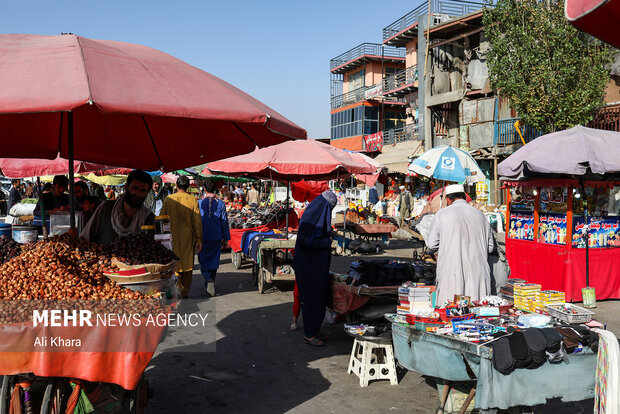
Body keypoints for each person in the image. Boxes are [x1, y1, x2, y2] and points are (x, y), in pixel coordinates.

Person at [425, 184, 495, 304]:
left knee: (451, 311)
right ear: (464, 197)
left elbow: (431, 244)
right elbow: (490, 247)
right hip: (478, 272)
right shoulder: (481, 215)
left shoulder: (442, 214)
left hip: (452, 270)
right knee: (476, 311)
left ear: (448, 199)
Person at [293, 190, 337, 347]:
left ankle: (314, 330)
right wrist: (326, 242)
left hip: (316, 266)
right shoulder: (310, 217)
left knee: (319, 297)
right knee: (312, 299)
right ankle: (309, 334)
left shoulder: (315, 213)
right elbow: (307, 241)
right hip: (309, 266)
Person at [81, 170, 155, 245]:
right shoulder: (106, 208)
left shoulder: (149, 218)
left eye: (143, 191)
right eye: (135, 188)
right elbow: (84, 239)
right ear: (126, 187)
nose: (138, 194)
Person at [161, 176, 203, 299]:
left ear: (176, 186)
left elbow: (162, 218)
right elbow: (197, 221)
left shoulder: (169, 199)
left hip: (171, 238)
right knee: (187, 265)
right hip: (188, 238)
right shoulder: (193, 200)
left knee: (173, 264)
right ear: (188, 187)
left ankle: (174, 291)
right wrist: (199, 238)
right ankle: (184, 292)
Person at [198, 179, 230, 297]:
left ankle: (207, 278)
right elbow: (224, 222)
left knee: (203, 259)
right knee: (214, 260)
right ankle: (211, 279)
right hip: (216, 236)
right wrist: (226, 238)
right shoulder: (221, 203)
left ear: (204, 189)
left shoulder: (199, 203)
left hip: (202, 236)